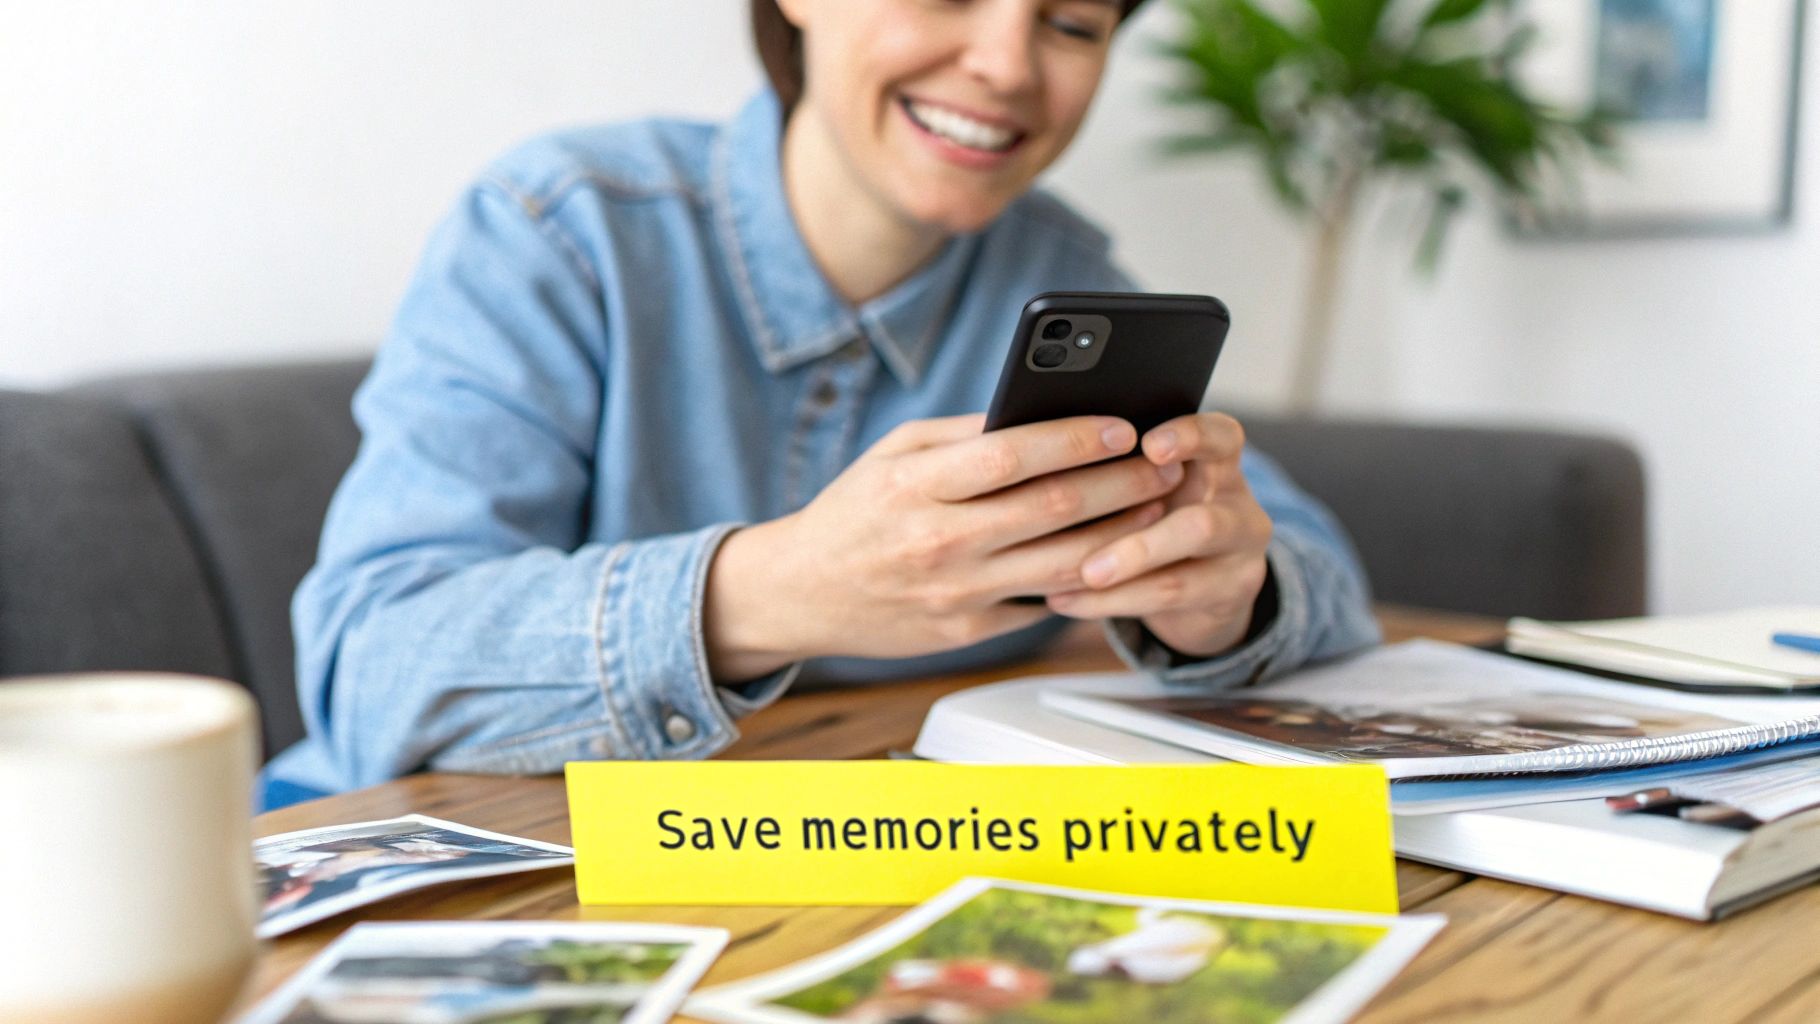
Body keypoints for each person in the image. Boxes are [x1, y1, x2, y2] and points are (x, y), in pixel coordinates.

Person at [261, 0, 1379, 808]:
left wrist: (1225, 597)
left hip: (833, 868)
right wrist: (783, 588)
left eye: (1072, 24)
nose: (1004, 62)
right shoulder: (560, 229)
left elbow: (1322, 577)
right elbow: (373, 672)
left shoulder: (1067, 280)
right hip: (437, 869)